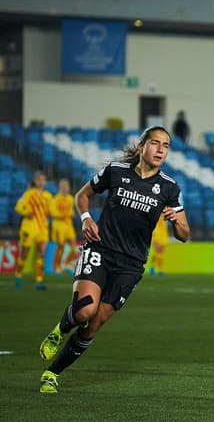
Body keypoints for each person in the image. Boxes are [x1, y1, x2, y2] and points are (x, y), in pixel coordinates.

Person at [37, 126, 190, 394]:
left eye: (166, 146)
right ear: (142, 146)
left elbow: (185, 235)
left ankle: (52, 373)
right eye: (155, 143)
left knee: (94, 324)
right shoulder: (115, 172)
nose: (160, 150)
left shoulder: (169, 188)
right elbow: (82, 195)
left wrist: (177, 221)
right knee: (85, 310)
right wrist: (86, 219)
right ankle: (60, 330)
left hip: (130, 265)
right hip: (100, 249)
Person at [14, 171, 52, 290]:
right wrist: (26, 212)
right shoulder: (29, 193)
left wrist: (50, 213)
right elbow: (18, 207)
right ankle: (18, 276)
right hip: (29, 227)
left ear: (45, 182)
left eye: (43, 179)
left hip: (43, 228)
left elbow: (50, 210)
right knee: (24, 253)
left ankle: (39, 281)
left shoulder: (48, 196)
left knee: (41, 254)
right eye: (39, 179)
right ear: (35, 181)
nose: (41, 182)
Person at [50, 178, 77, 278]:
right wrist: (63, 215)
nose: (65, 188)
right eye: (63, 186)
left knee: (74, 246)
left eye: (67, 186)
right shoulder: (56, 199)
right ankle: (57, 268)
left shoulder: (70, 198)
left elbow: (71, 211)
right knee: (61, 246)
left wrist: (71, 214)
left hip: (68, 225)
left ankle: (68, 264)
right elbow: (52, 212)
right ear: (60, 187)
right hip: (58, 225)